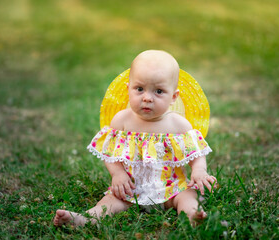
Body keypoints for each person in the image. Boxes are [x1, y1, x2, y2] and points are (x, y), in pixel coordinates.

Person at [53, 50, 217, 227]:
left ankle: (193, 215)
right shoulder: (122, 121)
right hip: (131, 189)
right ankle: (86, 218)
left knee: (187, 196)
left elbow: (195, 152)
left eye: (159, 91)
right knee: (110, 200)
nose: (147, 98)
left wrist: (199, 170)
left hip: (172, 188)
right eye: (139, 89)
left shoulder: (179, 124)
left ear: (173, 97)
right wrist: (118, 174)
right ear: (128, 89)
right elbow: (110, 153)